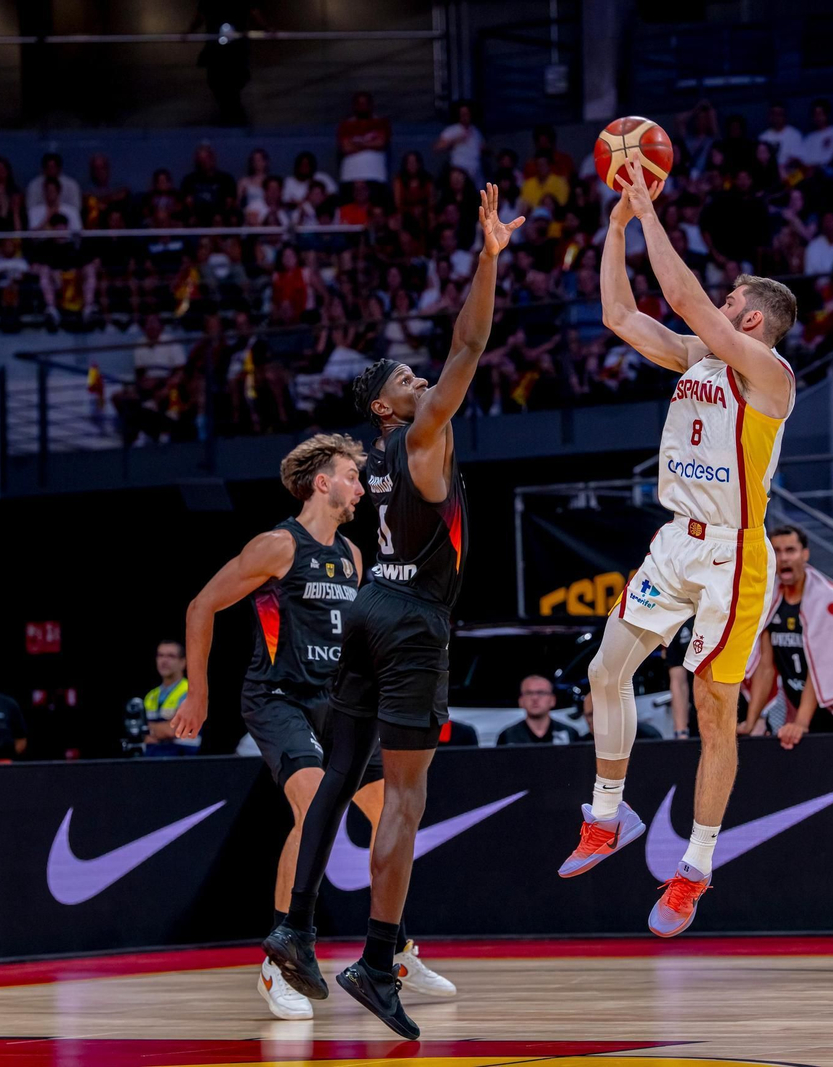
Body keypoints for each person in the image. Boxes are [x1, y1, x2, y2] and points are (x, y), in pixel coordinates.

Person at [260, 186, 521, 1037]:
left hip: (371, 606)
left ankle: (292, 931)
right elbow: (471, 342)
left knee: (342, 778)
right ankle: (379, 959)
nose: (422, 381)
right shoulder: (420, 435)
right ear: (386, 405)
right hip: (410, 619)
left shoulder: (372, 459)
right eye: (406, 380)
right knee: (402, 797)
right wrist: (488, 256)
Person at [559, 156, 797, 940]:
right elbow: (621, 316)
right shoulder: (699, 358)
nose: (717, 311)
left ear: (751, 320)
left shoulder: (769, 374)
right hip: (674, 542)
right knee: (605, 669)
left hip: (736, 554)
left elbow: (690, 300)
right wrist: (619, 225)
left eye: (732, 305)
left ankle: (694, 867)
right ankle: (606, 812)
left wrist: (650, 209)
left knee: (712, 710)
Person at [175, 434, 451, 1017]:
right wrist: (199, 692)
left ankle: (394, 950)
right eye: (353, 476)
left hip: (339, 702)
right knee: (312, 808)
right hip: (280, 698)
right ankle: (280, 964)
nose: (361, 486)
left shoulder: (352, 557)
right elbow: (201, 605)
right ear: (323, 482)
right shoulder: (278, 546)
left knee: (390, 813)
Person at [742, 525, 833, 746]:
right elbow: (766, 667)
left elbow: (822, 667)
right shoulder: (769, 599)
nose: (784, 558)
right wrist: (751, 721)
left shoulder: (827, 599)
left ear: (805, 554)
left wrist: (801, 723)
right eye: (776, 551)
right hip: (794, 703)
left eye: (790, 550)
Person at [141, 640, 200, 757]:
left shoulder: (192, 692)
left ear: (183, 662)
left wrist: (150, 729)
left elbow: (173, 730)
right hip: (152, 760)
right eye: (160, 655)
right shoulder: (151, 696)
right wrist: (162, 731)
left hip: (182, 761)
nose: (164, 660)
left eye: (171, 656)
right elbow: (140, 734)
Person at [498, 675, 579, 745]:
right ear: (521, 700)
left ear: (552, 700)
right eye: (529, 693)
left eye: (541, 692)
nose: (535, 698)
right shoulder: (507, 737)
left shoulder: (570, 734)